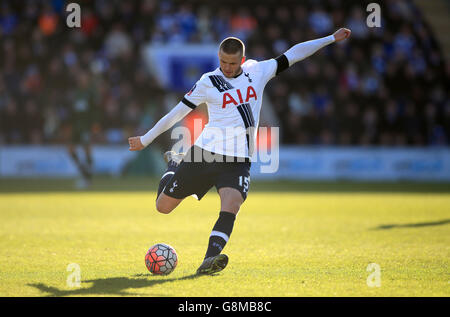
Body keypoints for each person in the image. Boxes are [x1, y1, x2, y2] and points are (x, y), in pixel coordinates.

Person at [128, 28, 351, 275]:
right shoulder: (208, 81)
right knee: (163, 207)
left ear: (242, 61)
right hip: (205, 153)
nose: (227, 67)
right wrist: (146, 139)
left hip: (237, 160)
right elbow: (177, 112)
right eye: (223, 61)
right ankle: (173, 165)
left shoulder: (258, 71)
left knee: (231, 204)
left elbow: (294, 54)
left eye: (232, 63)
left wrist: (330, 39)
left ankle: (209, 260)